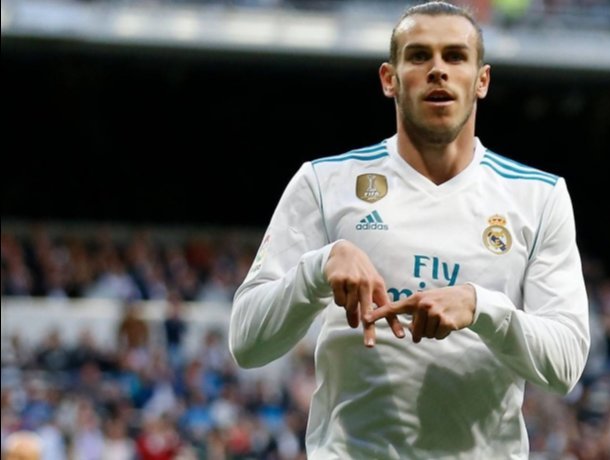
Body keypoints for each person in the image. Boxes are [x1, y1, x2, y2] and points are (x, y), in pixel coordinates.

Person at [229, 2, 590, 458]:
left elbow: (565, 366)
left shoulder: (539, 197)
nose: (438, 70)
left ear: (482, 80)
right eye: (419, 56)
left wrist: (481, 307)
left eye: (455, 56)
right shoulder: (325, 182)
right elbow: (247, 343)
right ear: (389, 79)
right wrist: (320, 267)